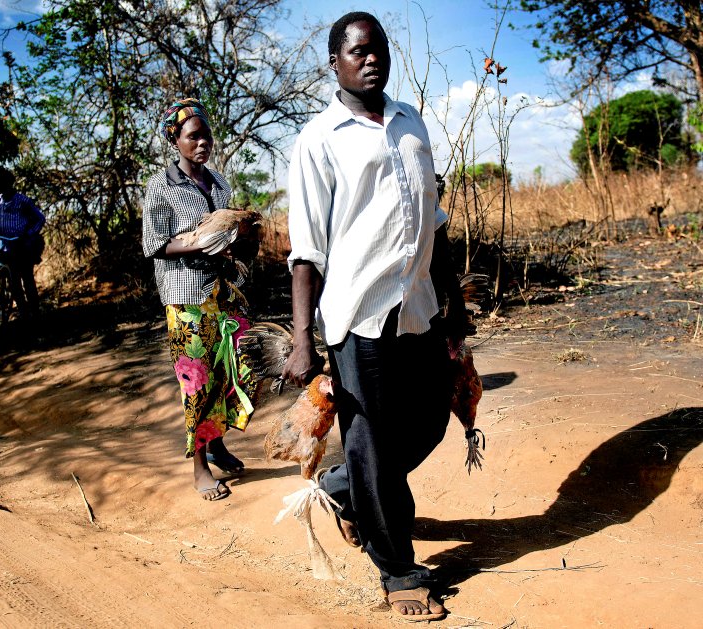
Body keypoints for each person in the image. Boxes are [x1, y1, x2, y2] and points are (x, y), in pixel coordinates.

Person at [281, 12, 468, 622]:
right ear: (334, 62)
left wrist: (454, 304)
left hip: (418, 308)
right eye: (358, 51)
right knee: (369, 440)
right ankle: (398, 570)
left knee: (430, 423)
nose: (372, 59)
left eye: (379, 49)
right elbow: (306, 248)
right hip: (357, 316)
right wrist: (303, 338)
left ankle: (342, 491)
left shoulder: (411, 122)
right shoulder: (319, 138)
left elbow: (434, 223)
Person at [142, 98, 258, 501]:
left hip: (223, 293)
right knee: (198, 381)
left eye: (206, 135)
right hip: (185, 297)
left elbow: (227, 235)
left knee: (234, 369)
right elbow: (152, 244)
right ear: (175, 140)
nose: (203, 142)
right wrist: (196, 242)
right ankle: (199, 467)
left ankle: (219, 441)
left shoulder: (220, 182)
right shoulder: (161, 186)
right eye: (193, 136)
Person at [0, 167, 46, 318]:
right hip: (6, 248)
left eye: (1, 184)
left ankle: (36, 312)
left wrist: (29, 234)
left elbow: (40, 218)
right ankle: (24, 313)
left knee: (27, 280)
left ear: (9, 184)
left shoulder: (22, 200)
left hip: (22, 247)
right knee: (14, 284)